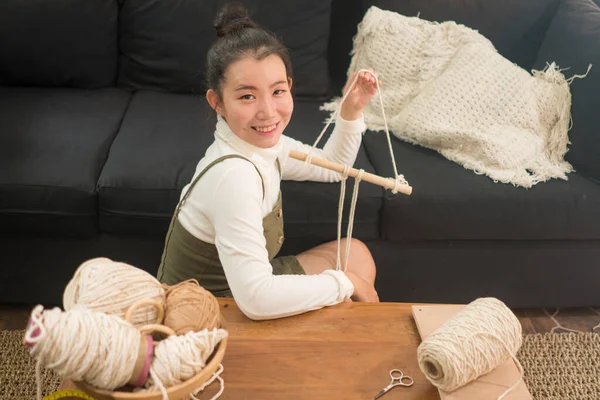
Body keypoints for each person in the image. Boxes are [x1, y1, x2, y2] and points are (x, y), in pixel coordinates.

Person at [157, 2, 380, 320]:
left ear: (289, 87)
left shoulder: (266, 148)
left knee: (354, 254)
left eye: (277, 91)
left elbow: (333, 166)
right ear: (217, 102)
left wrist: (351, 111)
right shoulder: (234, 176)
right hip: (207, 312)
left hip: (243, 286)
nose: (268, 112)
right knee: (345, 289)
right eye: (247, 96)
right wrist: (345, 283)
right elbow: (257, 300)